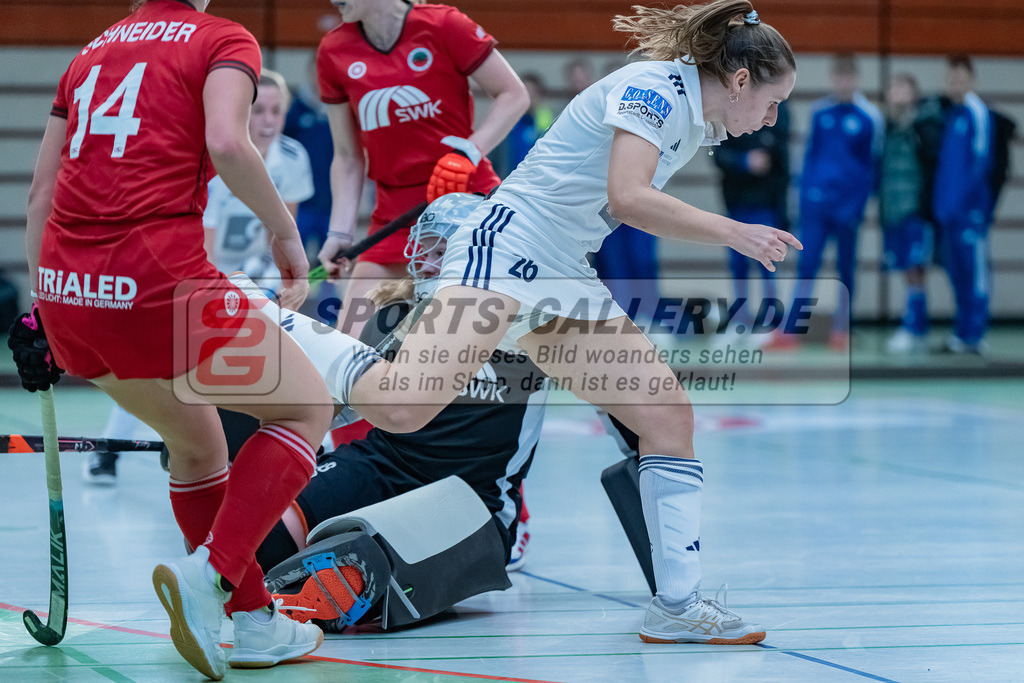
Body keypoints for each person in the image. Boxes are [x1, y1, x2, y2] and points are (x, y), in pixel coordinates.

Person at [304, 0, 800, 645]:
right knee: (404, 406)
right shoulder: (655, 89)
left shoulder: (695, 113)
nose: (772, 117)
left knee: (666, 414)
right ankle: (296, 344)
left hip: (563, 269)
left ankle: (677, 607)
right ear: (740, 80)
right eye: (773, 102)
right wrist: (735, 232)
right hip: (507, 249)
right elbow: (629, 197)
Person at [11, 0, 335, 678]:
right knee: (306, 408)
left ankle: (254, 624)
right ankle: (211, 573)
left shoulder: (91, 52)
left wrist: (42, 305)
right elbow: (227, 142)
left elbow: (41, 192)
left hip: (70, 288)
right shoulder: (220, 39)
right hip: (156, 277)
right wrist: (284, 233)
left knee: (198, 446)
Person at [221, 195, 546, 626]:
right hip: (383, 463)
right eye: (425, 249)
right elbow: (334, 405)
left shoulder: (532, 322)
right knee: (253, 533)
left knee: (359, 564)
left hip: (471, 500)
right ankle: (281, 586)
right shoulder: (397, 315)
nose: (426, 263)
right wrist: (232, 422)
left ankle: (316, 590)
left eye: (441, 251)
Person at [314, 0, 530, 340]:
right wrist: (339, 234)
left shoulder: (444, 24)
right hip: (394, 217)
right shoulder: (333, 50)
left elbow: (514, 94)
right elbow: (347, 157)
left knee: (479, 339)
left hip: (465, 202)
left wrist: (471, 150)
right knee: (350, 343)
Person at [775, 53, 882, 350]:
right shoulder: (820, 112)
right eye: (838, 77)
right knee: (806, 265)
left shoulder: (869, 116)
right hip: (816, 207)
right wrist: (804, 198)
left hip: (847, 210)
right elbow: (809, 158)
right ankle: (791, 331)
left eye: (848, 77)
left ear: (856, 79)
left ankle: (841, 330)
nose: (843, 82)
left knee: (846, 268)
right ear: (833, 79)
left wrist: (856, 207)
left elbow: (871, 168)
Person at [204, 69, 315, 295]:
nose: (269, 120)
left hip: (256, 269)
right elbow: (205, 245)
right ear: (240, 112)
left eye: (276, 111)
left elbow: (283, 232)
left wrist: (268, 274)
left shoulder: (293, 157)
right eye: (258, 111)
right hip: (211, 267)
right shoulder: (215, 158)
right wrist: (215, 289)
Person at [712, 99, 791, 345]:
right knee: (738, 265)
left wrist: (783, 210)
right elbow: (718, 154)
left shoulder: (780, 111)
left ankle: (771, 323)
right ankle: (740, 321)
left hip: (766, 204)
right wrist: (744, 161)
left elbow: (783, 161)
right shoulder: (731, 105)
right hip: (736, 202)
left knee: (768, 263)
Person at [931, 55, 995, 354]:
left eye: (960, 78)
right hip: (949, 215)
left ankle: (975, 334)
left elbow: (980, 165)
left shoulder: (976, 113)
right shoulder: (951, 115)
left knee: (974, 274)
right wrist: (942, 206)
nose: (955, 84)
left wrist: (967, 206)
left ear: (972, 80)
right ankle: (962, 333)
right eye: (951, 78)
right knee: (957, 275)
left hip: (970, 215)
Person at [880, 73, 941, 354]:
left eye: (903, 88)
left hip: (915, 211)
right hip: (893, 211)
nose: (897, 93)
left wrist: (926, 207)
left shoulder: (924, 125)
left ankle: (914, 327)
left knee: (917, 270)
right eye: (893, 88)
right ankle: (917, 327)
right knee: (907, 270)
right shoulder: (888, 127)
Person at [283, 54, 336, 258]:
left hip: (330, 200)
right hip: (300, 202)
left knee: (330, 261)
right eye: (315, 73)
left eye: (323, 73)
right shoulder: (293, 109)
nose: (318, 78)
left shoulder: (337, 109)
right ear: (308, 73)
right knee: (295, 258)